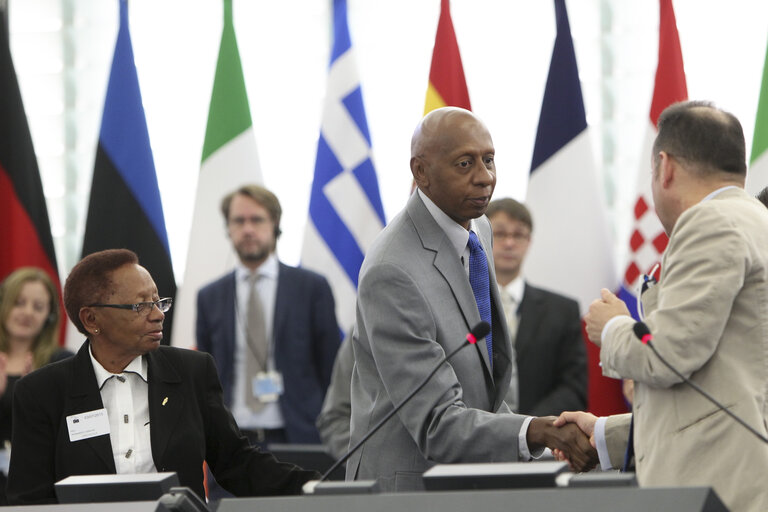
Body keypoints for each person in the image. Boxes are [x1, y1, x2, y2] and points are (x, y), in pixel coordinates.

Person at [346, 107, 596, 492]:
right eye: (464, 164)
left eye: (489, 160)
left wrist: (546, 437)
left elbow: (484, 386)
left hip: (470, 479)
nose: (485, 178)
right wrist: (537, 432)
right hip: (406, 489)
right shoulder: (391, 270)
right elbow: (436, 423)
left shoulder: (478, 226)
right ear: (421, 173)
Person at [555, 101, 768, 512]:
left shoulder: (710, 223)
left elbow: (669, 354)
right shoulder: (753, 219)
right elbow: (716, 391)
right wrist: (603, 436)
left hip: (719, 490)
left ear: (664, 167)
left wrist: (614, 326)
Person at [6, 249, 317, 504]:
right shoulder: (43, 392)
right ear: (92, 319)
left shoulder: (191, 372)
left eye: (158, 302)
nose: (158, 314)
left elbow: (237, 463)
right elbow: (30, 500)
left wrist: (313, 487)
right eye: (140, 305)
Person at [196, 184, 340, 447]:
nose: (248, 229)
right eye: (239, 221)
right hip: (231, 443)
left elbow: (331, 368)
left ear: (275, 224)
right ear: (228, 229)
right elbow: (207, 379)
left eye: (257, 219)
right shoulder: (209, 297)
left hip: (300, 438)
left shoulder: (312, 288)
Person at [486, 198, 586, 416]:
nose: (509, 243)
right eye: (500, 234)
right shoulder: (461, 304)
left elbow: (574, 388)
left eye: (518, 235)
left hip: (541, 441)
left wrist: (529, 428)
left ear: (529, 241)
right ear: (483, 237)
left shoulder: (562, 311)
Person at [0, 268, 73, 504]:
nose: (27, 312)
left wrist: (34, 398)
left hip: (38, 486)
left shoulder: (61, 362)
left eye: (38, 307)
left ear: (49, 317)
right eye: (19, 303)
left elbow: (71, 432)